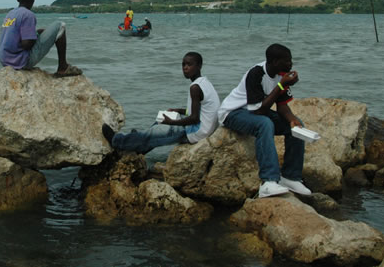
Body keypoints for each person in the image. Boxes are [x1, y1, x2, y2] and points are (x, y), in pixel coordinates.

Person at [217, 43, 311, 198]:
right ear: (273, 61)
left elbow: (282, 106)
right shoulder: (256, 73)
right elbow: (258, 110)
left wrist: (292, 120)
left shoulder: (282, 74)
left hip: (256, 111)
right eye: (286, 61)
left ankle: (290, 177)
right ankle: (268, 181)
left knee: (295, 125)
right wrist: (281, 85)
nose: (290, 64)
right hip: (233, 113)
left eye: (291, 60)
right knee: (264, 124)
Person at [102, 52, 220, 154]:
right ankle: (140, 144)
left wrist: (172, 122)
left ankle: (116, 141)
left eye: (189, 64)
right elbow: (201, 111)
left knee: (155, 132)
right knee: (160, 123)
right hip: (204, 128)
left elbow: (194, 118)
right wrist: (179, 110)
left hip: (196, 133)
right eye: (183, 64)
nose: (185, 67)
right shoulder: (205, 82)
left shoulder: (195, 87)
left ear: (199, 66)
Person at [0, 0, 82, 77]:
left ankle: (63, 67)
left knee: (41, 32)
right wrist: (36, 37)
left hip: (5, 61)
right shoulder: (28, 15)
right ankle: (63, 67)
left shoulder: (10, 14)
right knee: (60, 25)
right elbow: (27, 45)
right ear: (33, 0)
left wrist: (36, 33)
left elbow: (14, 38)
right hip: (21, 62)